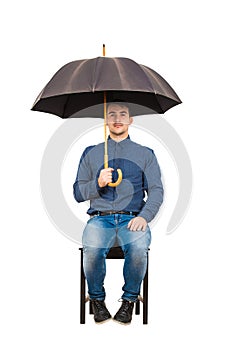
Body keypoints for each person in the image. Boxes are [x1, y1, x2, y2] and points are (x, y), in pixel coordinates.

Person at [73, 101, 164, 324]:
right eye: (111, 114)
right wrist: (98, 183)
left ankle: (129, 300)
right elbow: (77, 192)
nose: (117, 118)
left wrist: (144, 216)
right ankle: (97, 300)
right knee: (92, 250)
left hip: (132, 219)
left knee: (138, 247)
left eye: (123, 114)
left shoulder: (145, 154)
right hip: (99, 220)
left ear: (130, 120)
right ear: (105, 121)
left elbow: (156, 191)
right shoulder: (91, 153)